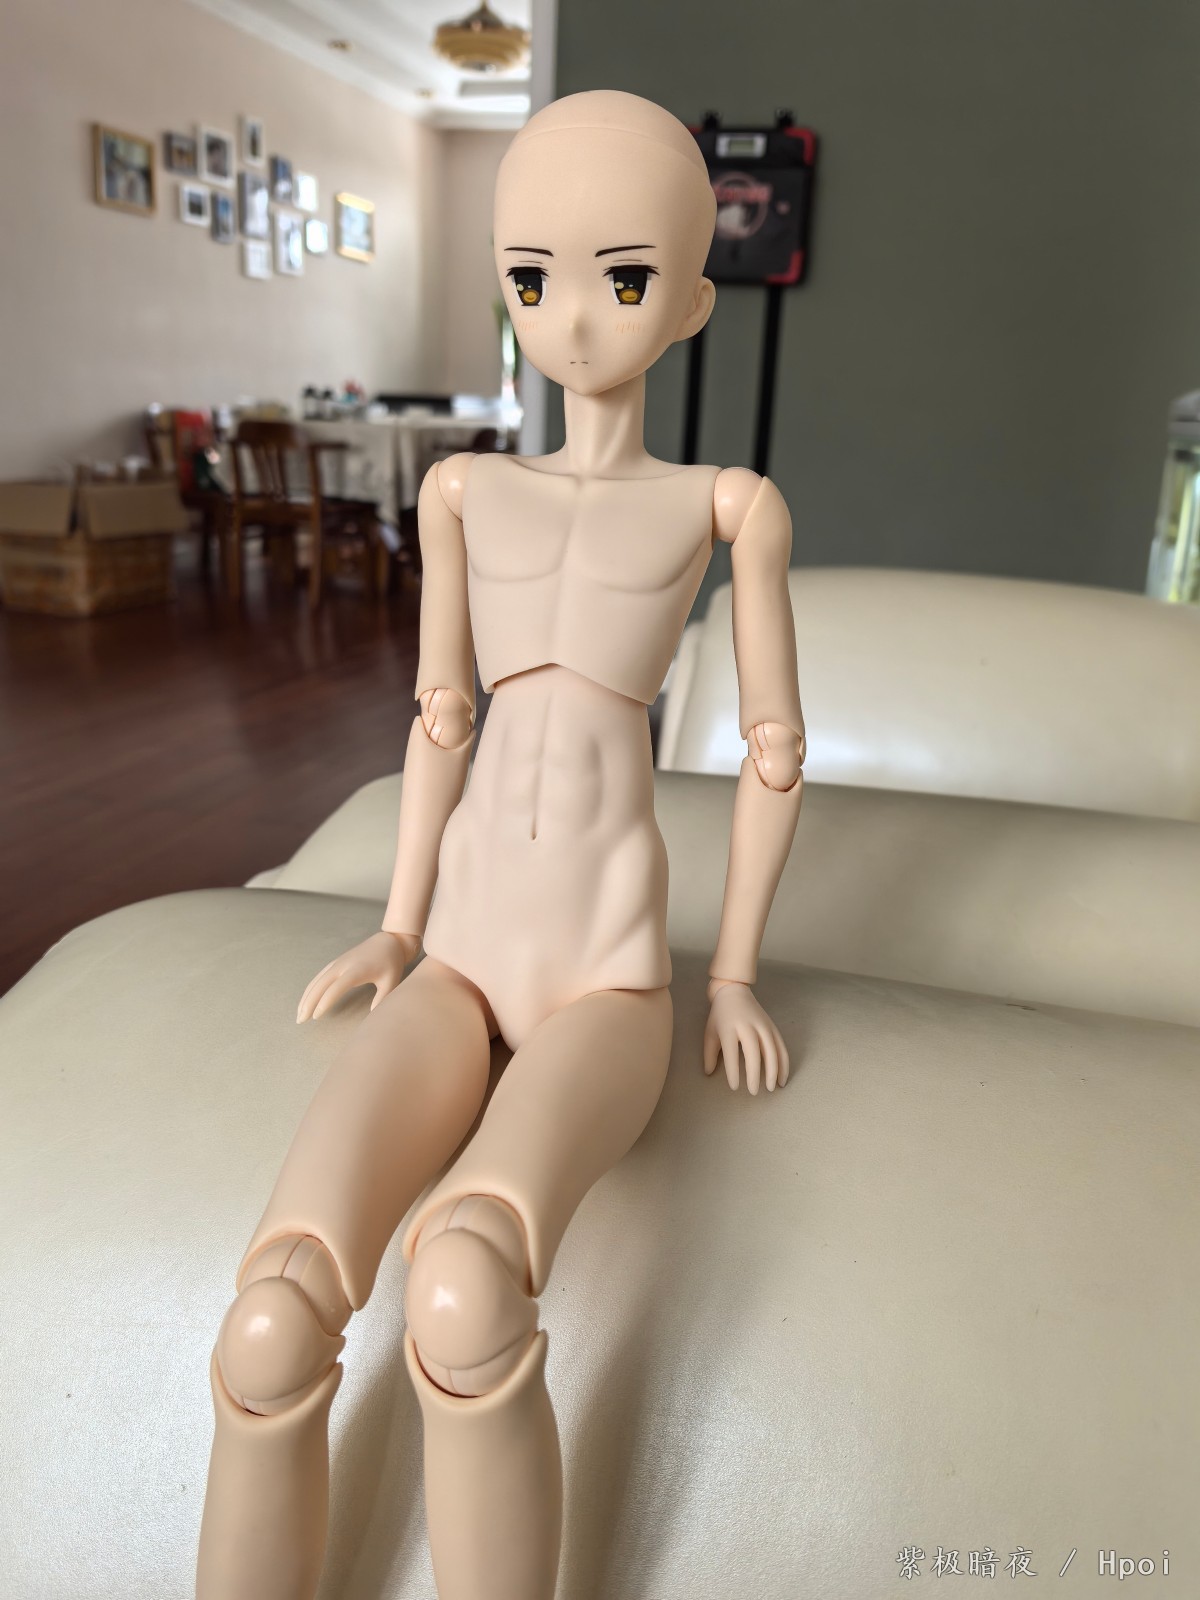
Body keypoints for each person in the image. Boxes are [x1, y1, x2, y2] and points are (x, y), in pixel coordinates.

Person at [195, 88, 806, 1600]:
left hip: (607, 975)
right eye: (532, 277)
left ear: (691, 303)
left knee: (464, 1283)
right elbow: (439, 721)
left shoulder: (728, 507)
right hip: (458, 957)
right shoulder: (461, 491)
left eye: (624, 277)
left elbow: (774, 753)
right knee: (271, 1318)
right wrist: (399, 926)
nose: (574, 318)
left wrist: (731, 973)